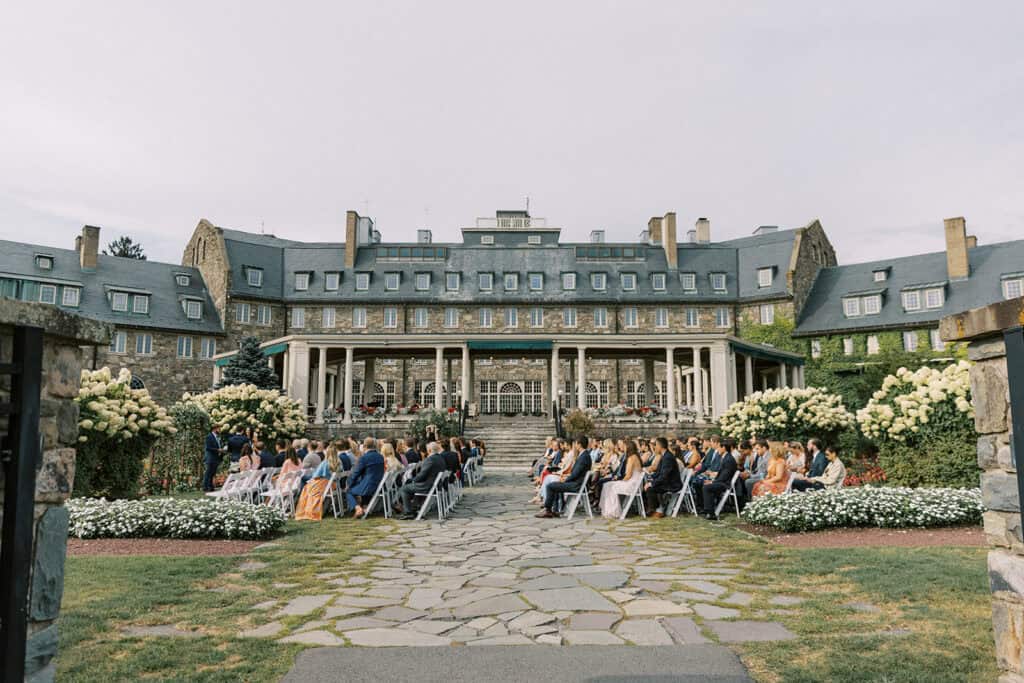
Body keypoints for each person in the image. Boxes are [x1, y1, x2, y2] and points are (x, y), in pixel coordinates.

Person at [537, 436, 592, 518]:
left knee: (550, 486)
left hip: (577, 485)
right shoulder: (583, 455)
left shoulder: (584, 457)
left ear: (579, 445)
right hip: (576, 483)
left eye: (576, 444)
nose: (575, 446)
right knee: (554, 485)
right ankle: (554, 510)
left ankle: (548, 510)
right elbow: (575, 473)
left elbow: (575, 474)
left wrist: (565, 480)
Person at [398, 441, 447, 519]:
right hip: (436, 485)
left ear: (430, 450)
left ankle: (408, 512)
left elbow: (422, 475)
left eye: (427, 449)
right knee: (409, 486)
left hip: (428, 486)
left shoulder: (430, 459)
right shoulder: (441, 458)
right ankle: (413, 507)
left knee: (405, 488)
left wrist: (413, 479)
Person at [295, 449, 344, 520]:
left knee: (306, 487)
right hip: (333, 485)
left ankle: (309, 510)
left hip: (324, 485)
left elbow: (316, 475)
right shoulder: (339, 463)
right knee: (309, 485)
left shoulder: (325, 463)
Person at [600, 443, 644, 518]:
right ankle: (610, 510)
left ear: (628, 448)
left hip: (632, 484)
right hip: (636, 484)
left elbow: (628, 475)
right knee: (608, 485)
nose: (622, 448)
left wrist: (620, 481)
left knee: (609, 486)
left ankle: (613, 511)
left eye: (624, 447)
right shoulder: (636, 456)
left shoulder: (631, 458)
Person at [645, 437, 683, 518]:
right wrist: (650, 478)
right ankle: (654, 508)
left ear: (660, 446)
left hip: (672, 484)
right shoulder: (665, 455)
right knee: (648, 485)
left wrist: (651, 483)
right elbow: (659, 472)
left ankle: (656, 510)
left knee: (651, 488)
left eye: (655, 445)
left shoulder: (668, 457)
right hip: (667, 481)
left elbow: (664, 476)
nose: (654, 447)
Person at [347, 437, 385, 517]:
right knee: (361, 485)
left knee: (349, 491)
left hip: (369, 486)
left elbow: (356, 473)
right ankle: (365, 506)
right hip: (378, 484)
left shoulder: (364, 458)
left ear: (364, 446)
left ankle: (358, 508)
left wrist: (349, 484)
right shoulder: (380, 456)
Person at [700, 445, 739, 519]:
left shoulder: (728, 459)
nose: (717, 450)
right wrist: (712, 481)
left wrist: (713, 482)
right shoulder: (725, 457)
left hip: (725, 483)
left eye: (718, 448)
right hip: (721, 481)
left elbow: (725, 476)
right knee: (704, 484)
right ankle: (707, 509)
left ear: (723, 448)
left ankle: (710, 513)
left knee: (707, 487)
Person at [202, 424, 226, 491]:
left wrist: (221, 450)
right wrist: (218, 450)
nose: (220, 430)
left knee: (212, 473)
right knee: (208, 472)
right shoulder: (209, 437)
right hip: (210, 457)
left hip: (216, 457)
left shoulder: (218, 437)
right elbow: (208, 447)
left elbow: (218, 445)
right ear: (215, 429)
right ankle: (205, 487)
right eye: (219, 429)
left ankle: (210, 486)